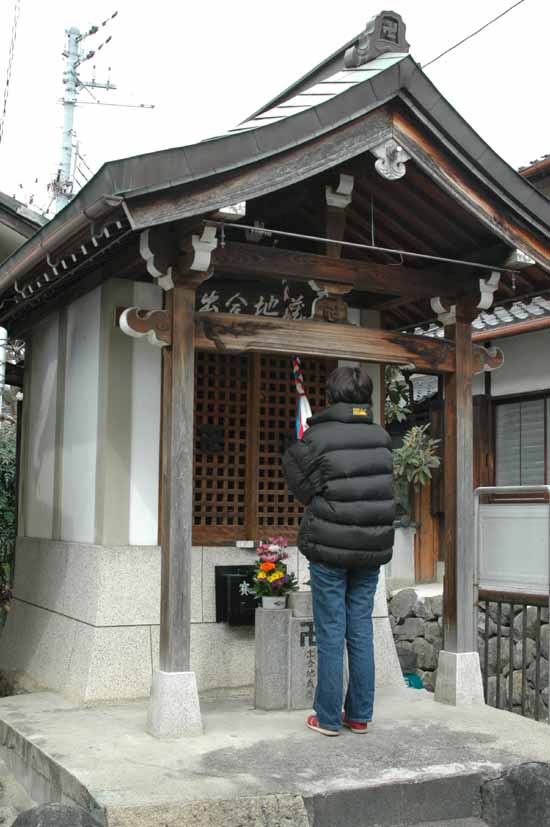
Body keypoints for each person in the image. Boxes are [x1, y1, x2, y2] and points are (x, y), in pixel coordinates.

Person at [282, 365, 395, 736]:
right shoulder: (381, 436)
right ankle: (360, 715)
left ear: (332, 394)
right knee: (360, 628)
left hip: (329, 547)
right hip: (371, 548)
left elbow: (301, 489)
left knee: (331, 629)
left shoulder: (318, 437)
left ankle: (328, 718)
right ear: (365, 396)